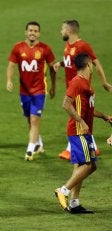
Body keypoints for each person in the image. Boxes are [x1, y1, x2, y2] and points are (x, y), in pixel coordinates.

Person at [55, 53, 111, 214]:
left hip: (84, 131)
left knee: (83, 165)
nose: (93, 66)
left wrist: (105, 117)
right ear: (88, 65)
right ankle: (63, 191)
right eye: (92, 64)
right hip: (78, 131)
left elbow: (89, 108)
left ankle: (74, 203)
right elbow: (65, 104)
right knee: (89, 165)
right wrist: (80, 121)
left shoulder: (86, 83)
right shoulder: (77, 82)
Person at [53, 20, 112, 161]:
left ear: (69, 31)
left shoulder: (83, 45)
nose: (61, 31)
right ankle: (89, 147)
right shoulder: (67, 45)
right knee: (81, 114)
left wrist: (104, 82)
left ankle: (73, 149)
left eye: (62, 29)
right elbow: (71, 62)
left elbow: (95, 62)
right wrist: (60, 64)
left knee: (77, 115)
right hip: (72, 87)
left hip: (81, 87)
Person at [7, 21, 56, 161]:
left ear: (39, 33)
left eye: (35, 31)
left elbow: (52, 69)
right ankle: (38, 143)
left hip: (39, 91)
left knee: (35, 120)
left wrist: (53, 86)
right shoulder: (18, 48)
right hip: (24, 91)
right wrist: (9, 80)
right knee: (29, 119)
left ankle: (30, 150)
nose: (32, 33)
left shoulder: (45, 49)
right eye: (30, 30)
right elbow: (11, 65)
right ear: (26, 32)